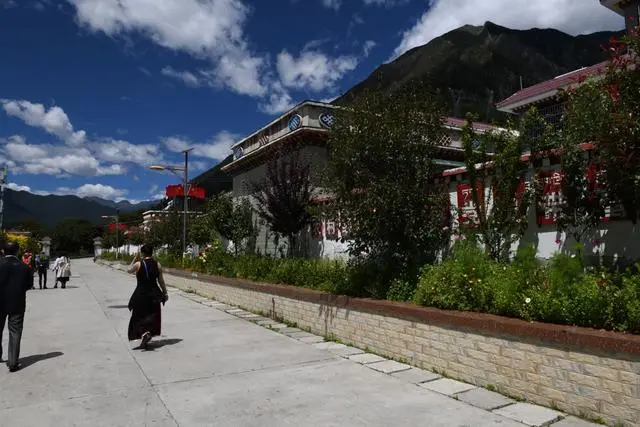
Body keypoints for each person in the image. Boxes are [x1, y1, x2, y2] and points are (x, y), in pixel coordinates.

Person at [0, 242, 34, 372]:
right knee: (15, 332)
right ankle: (13, 362)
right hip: (17, 304)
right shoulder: (24, 267)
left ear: (3, 251)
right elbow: (28, 285)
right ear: (18, 251)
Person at [126, 244, 168, 349]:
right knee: (152, 315)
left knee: (138, 316)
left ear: (143, 253)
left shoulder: (138, 264)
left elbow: (128, 269)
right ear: (152, 252)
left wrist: (135, 259)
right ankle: (147, 333)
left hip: (141, 294)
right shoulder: (157, 265)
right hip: (154, 294)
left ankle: (144, 334)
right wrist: (165, 293)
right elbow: (161, 281)